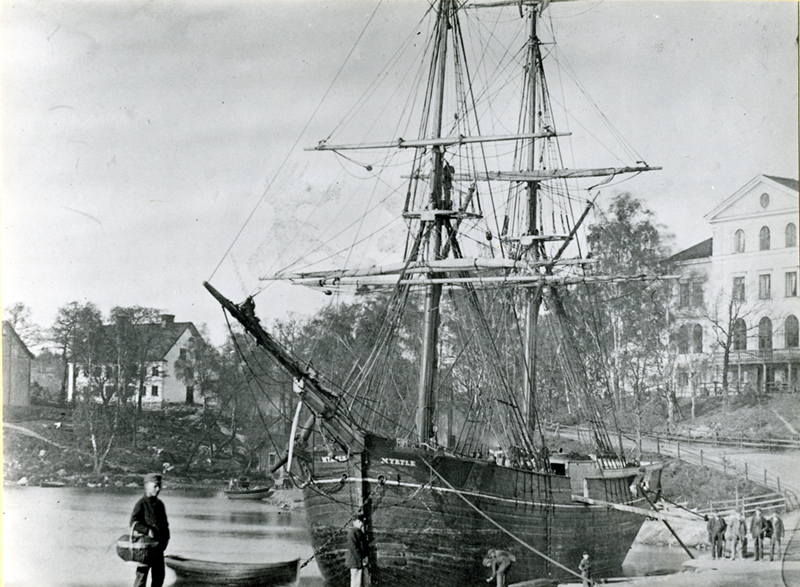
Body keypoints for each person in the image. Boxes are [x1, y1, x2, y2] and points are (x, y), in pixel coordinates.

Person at [130, 473, 170, 587]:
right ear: (147, 486)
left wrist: (165, 541)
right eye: (155, 486)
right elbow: (133, 522)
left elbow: (165, 525)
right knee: (141, 577)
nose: (158, 489)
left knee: (159, 577)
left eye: (159, 486)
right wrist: (147, 531)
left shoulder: (159, 504)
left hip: (158, 548)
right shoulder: (141, 503)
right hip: (145, 548)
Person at [345, 516, 369, 587]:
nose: (360, 524)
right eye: (359, 522)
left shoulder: (359, 532)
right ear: (354, 522)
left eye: (361, 522)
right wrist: (361, 558)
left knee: (360, 581)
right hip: (355, 561)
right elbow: (353, 548)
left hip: (358, 561)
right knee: (356, 581)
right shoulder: (352, 533)